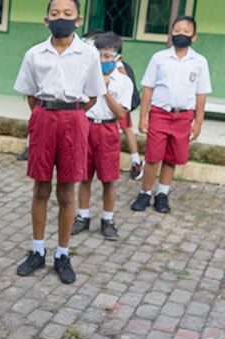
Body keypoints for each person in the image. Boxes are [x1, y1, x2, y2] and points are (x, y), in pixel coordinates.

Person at [12, 0, 106, 284]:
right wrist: (46, 115)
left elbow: (92, 95)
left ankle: (62, 254)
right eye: (55, 14)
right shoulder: (34, 54)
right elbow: (30, 94)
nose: (61, 18)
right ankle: (38, 250)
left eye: (67, 14)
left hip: (74, 121)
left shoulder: (89, 54)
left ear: (78, 20)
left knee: (67, 191)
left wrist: (69, 116)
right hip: (43, 118)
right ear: (46, 20)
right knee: (40, 187)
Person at [130, 15, 211, 213]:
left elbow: (201, 94)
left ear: (194, 37)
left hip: (183, 116)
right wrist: (143, 117)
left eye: (186, 32)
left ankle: (162, 194)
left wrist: (198, 122)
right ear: (170, 33)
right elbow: (148, 88)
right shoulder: (159, 58)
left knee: (172, 157)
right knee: (153, 156)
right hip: (160, 113)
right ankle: (145, 192)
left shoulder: (199, 62)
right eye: (177, 31)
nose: (180, 34)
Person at [71, 32, 133, 241]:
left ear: (118, 58)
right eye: (100, 56)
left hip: (108, 131)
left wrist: (104, 90)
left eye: (108, 56)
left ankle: (108, 219)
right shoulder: (86, 77)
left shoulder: (124, 82)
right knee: (84, 177)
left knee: (108, 179)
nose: (104, 60)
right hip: (87, 128)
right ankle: (83, 216)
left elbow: (121, 113)